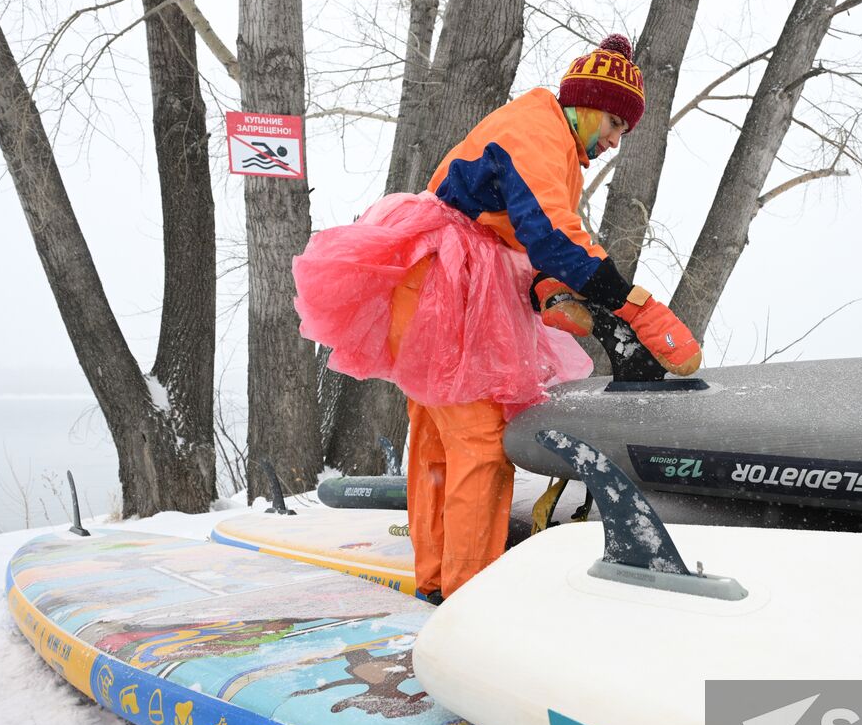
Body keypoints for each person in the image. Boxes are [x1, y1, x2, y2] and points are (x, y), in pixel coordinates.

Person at [292, 33, 701, 606]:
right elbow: (554, 235)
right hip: (452, 290)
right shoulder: (537, 131)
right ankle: (469, 598)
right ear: (582, 102)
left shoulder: (548, 138)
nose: (613, 140)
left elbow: (524, 234)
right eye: (613, 122)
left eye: (623, 131)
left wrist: (552, 294)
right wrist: (634, 305)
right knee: (481, 444)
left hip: (437, 285)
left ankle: (436, 577)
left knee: (437, 439)